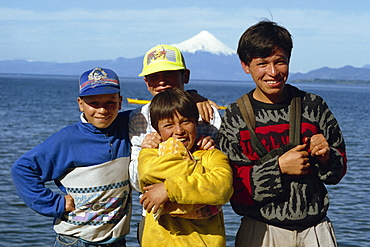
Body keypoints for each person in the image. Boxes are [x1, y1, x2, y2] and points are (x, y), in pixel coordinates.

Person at [217, 20, 347, 247]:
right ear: (245, 65)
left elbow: (339, 171)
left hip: (315, 232)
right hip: (261, 232)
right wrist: (277, 168)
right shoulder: (235, 117)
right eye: (262, 64)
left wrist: (326, 156)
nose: (273, 72)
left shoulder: (314, 106)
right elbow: (233, 188)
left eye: (280, 62)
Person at [12, 67, 131, 246]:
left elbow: (162, 110)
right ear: (80, 103)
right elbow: (22, 169)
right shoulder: (66, 140)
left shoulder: (127, 127)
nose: (102, 110)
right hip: (76, 241)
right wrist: (56, 204)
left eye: (110, 102)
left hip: (116, 241)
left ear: (120, 102)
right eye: (94, 103)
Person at [138, 88, 233, 246]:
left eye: (185, 122)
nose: (179, 131)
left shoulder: (212, 155)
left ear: (196, 122)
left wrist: (169, 189)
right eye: (168, 125)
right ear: (157, 130)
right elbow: (148, 171)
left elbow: (223, 188)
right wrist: (204, 174)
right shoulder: (150, 154)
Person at [129, 44, 221, 193]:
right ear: (147, 83)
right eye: (154, 77)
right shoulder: (139, 118)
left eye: (168, 74)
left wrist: (209, 152)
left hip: (202, 210)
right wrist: (146, 152)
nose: (161, 82)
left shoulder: (208, 115)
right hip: (156, 212)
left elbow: (221, 179)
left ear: (185, 76)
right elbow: (136, 182)